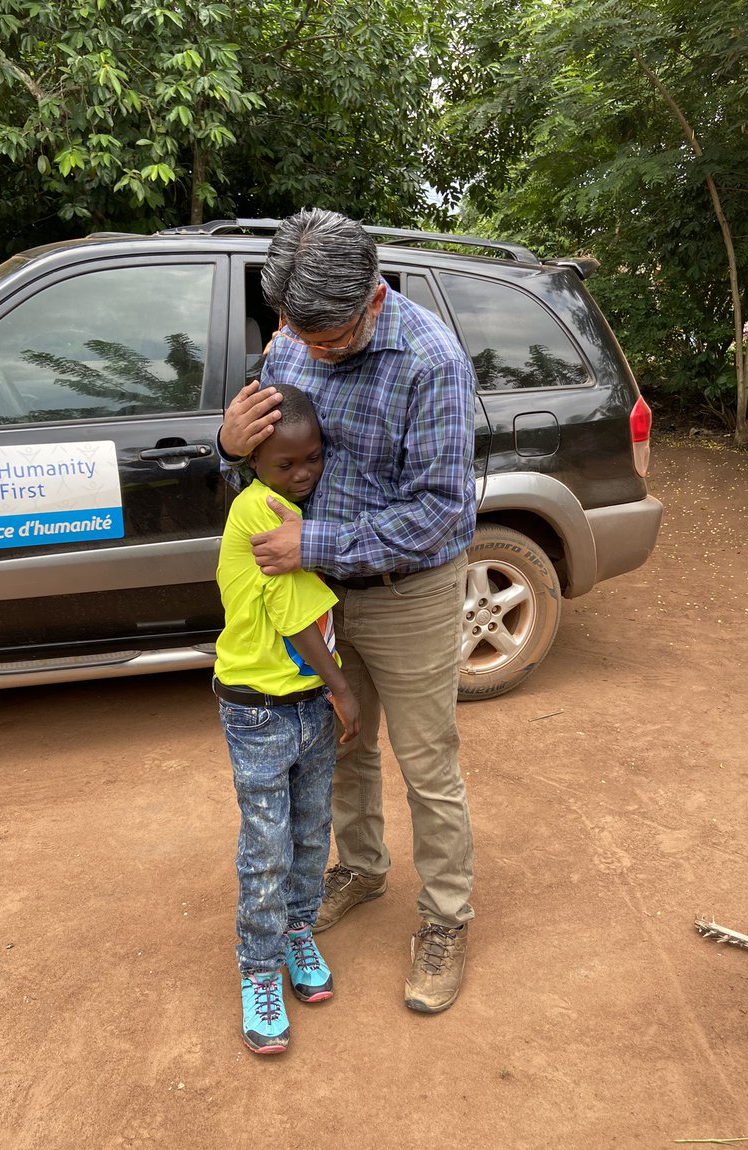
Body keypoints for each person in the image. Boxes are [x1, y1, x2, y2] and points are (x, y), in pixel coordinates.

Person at [219, 208, 477, 1014]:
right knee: (344, 741)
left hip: (408, 592)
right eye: (299, 335)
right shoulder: (291, 338)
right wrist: (227, 447)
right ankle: (361, 870)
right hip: (318, 596)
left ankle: (445, 920)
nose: (309, 353)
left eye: (327, 340)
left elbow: (443, 513)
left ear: (373, 297)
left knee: (427, 764)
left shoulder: (431, 361)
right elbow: (262, 469)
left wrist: (316, 544)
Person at [214, 383, 360, 1054]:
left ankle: (299, 931)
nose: (303, 474)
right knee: (267, 846)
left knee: (309, 833)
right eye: (285, 464)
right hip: (261, 712)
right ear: (254, 464)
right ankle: (260, 970)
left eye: (313, 458)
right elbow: (295, 618)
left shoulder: (297, 504)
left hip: (304, 708)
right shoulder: (260, 511)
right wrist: (342, 688)